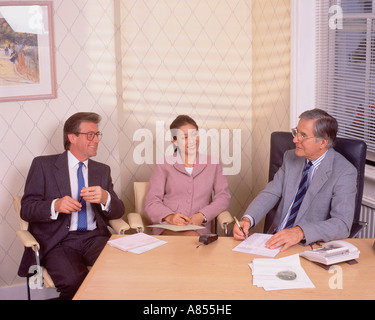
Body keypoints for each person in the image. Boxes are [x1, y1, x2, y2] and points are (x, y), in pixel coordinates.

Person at [18, 112, 125, 299]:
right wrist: (55, 206)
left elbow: (118, 210)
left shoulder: (102, 170)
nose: (96, 140)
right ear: (72, 137)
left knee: (122, 271)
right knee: (73, 281)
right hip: (59, 241)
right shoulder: (43, 165)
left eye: (97, 135)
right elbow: (27, 209)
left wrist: (105, 197)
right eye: (90, 135)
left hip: (95, 238)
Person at [234, 108, 357, 251]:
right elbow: (271, 193)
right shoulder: (290, 157)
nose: (295, 139)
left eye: (303, 135)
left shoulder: (344, 172)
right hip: (273, 241)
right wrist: (248, 219)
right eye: (296, 132)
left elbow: (342, 224)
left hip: (307, 245)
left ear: (323, 143)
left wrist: (300, 231)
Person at [144, 115, 231, 236]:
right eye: (184, 137)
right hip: (168, 228)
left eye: (194, 135)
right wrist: (170, 217)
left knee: (193, 240)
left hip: (200, 228)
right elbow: (152, 202)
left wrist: (202, 216)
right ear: (174, 141)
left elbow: (223, 197)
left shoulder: (213, 163)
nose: (191, 140)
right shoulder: (163, 164)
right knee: (191, 240)